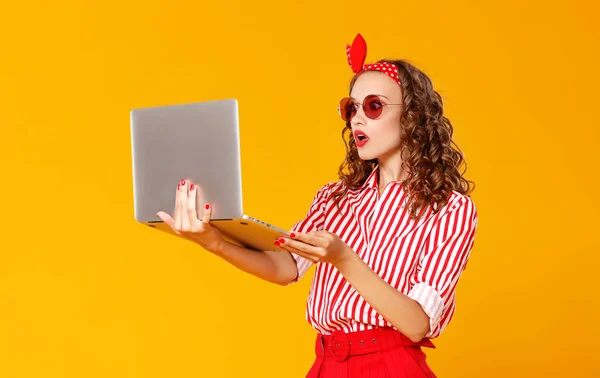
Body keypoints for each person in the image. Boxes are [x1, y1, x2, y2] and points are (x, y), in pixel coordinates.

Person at [157, 33, 478, 378]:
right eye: (350, 108)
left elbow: (416, 325)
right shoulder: (334, 197)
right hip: (327, 364)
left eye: (373, 106)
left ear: (413, 115)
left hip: (391, 366)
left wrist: (344, 259)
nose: (357, 119)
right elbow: (287, 268)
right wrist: (215, 242)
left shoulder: (449, 209)